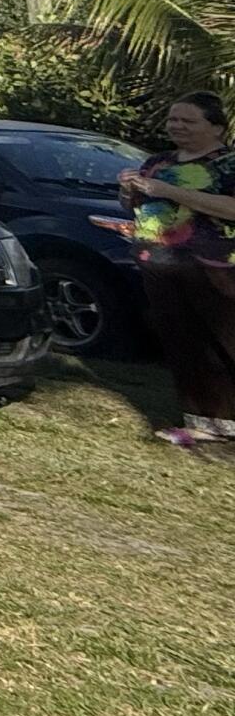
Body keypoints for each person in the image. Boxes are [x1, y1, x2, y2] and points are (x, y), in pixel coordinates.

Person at [115, 93, 235, 451]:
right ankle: (201, 421)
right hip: (161, 262)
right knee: (182, 343)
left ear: (215, 126)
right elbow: (138, 204)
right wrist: (129, 191)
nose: (177, 127)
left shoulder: (227, 163)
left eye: (188, 121)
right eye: (172, 119)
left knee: (225, 344)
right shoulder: (158, 160)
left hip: (217, 266)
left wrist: (168, 190)